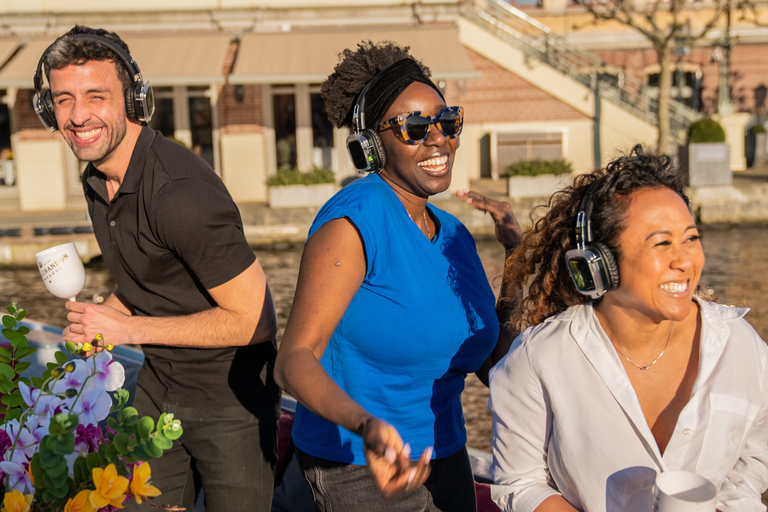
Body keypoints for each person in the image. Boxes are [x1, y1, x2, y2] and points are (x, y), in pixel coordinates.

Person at [38, 26, 280, 512]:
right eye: (63, 99)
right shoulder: (96, 178)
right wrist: (103, 320)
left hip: (228, 402)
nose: (78, 115)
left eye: (95, 96)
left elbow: (256, 320)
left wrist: (126, 328)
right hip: (157, 384)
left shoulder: (180, 194)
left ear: (133, 100)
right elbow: (148, 276)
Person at [274, 40, 521, 512]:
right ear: (371, 145)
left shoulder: (453, 235)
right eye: (414, 127)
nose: (438, 138)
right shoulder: (352, 224)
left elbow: (493, 365)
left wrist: (515, 257)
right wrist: (367, 425)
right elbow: (293, 360)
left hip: (443, 454)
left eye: (447, 122)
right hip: (361, 465)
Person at [489, 145, 768, 512]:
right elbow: (519, 483)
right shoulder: (537, 359)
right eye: (662, 243)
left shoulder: (740, 344)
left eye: (691, 238)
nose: (685, 260)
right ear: (600, 263)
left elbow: (752, 462)